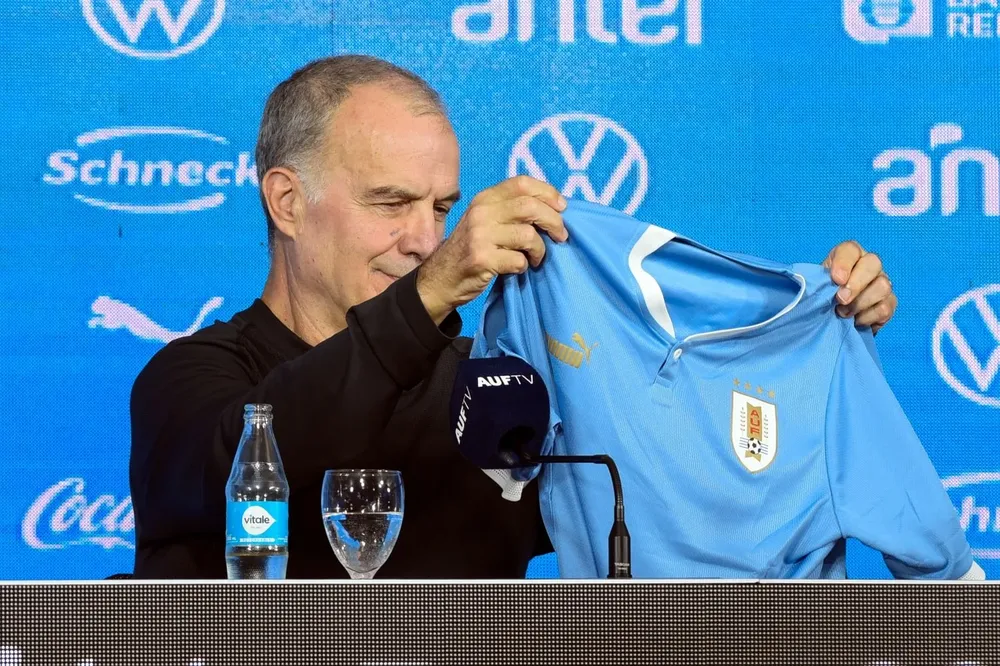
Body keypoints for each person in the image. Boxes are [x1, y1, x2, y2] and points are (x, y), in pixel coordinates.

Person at [128, 55, 899, 579]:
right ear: (287, 202)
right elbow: (252, 465)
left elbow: (693, 487)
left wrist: (805, 343)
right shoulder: (193, 380)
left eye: (440, 209)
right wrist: (431, 292)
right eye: (390, 203)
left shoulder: (503, 389)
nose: (423, 240)